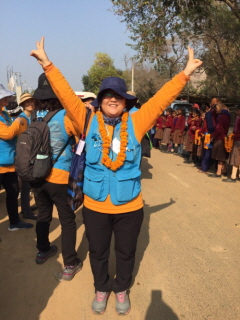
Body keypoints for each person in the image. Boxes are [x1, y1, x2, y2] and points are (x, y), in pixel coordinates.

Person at [30, 37, 202, 315]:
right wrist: (47, 65)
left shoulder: (137, 122)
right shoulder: (86, 119)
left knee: (126, 253)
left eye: (118, 96)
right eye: (107, 95)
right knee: (98, 253)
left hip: (130, 206)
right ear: (101, 100)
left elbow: (161, 100)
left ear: (125, 102)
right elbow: (65, 95)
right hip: (96, 205)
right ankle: (102, 288)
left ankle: (121, 289)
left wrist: (185, 74)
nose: (112, 99)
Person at [31, 73, 82, 280]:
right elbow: (80, 141)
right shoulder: (65, 116)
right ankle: (70, 263)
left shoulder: (33, 116)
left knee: (43, 214)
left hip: (36, 175)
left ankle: (43, 250)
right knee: (68, 219)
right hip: (59, 176)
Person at [0, 84, 34, 231]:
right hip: (1, 164)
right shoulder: (18, 118)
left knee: (13, 194)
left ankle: (14, 221)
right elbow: (7, 134)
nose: (8, 98)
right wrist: (19, 122)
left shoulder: (5, 114)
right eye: (5, 96)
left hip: (10, 162)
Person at [17, 93, 38, 220]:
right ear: (23, 104)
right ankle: (26, 211)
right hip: (24, 156)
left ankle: (26, 208)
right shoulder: (22, 119)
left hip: (29, 156)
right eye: (27, 102)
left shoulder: (30, 118)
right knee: (25, 186)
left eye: (32, 101)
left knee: (28, 185)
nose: (30, 104)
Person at [208, 103, 230, 178]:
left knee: (220, 156)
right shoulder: (226, 116)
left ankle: (218, 172)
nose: (216, 111)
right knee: (222, 156)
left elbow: (218, 129)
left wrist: (211, 136)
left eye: (216, 109)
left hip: (220, 138)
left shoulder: (222, 117)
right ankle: (224, 171)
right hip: (222, 137)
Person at [222, 105, 240, 182]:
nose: (236, 112)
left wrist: (234, 136)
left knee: (235, 158)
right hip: (236, 139)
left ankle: (233, 177)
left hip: (238, 141)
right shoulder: (237, 118)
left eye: (237, 110)